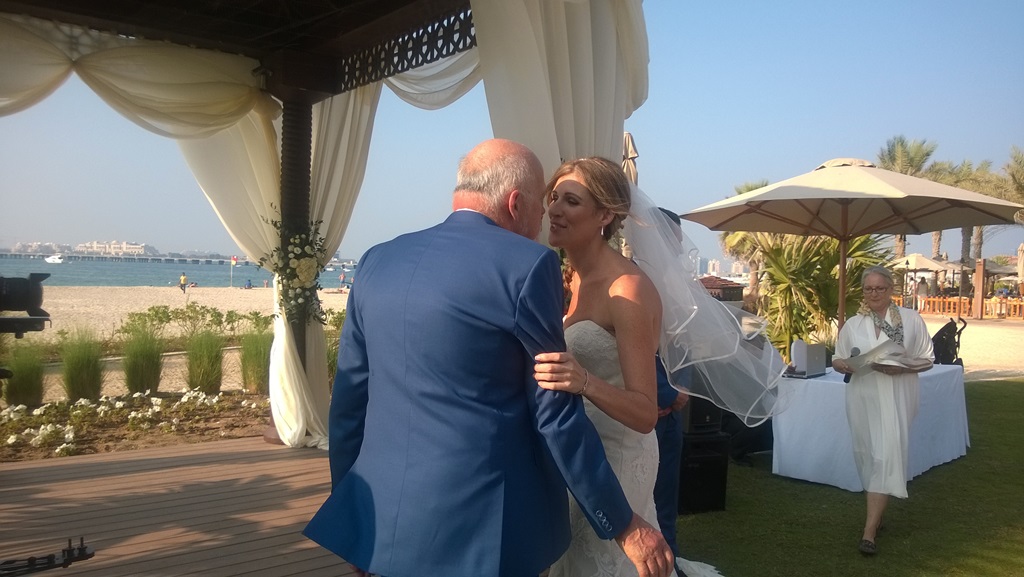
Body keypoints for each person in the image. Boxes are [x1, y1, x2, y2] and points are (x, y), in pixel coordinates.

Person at [303, 139, 674, 577]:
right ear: (516, 203)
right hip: (483, 524)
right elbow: (553, 415)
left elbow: (349, 403)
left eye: (567, 200)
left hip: (385, 521)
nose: (546, 214)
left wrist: (352, 518)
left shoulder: (376, 260)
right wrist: (624, 524)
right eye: (544, 200)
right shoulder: (529, 266)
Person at [831, 265, 934, 556]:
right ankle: (878, 513)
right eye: (869, 289)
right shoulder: (854, 324)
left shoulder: (911, 320)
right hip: (863, 397)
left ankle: (869, 532)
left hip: (897, 396)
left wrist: (902, 368)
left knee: (886, 455)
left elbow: (927, 359)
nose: (874, 294)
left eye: (880, 288)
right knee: (867, 455)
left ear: (891, 289)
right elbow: (837, 358)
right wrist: (843, 365)